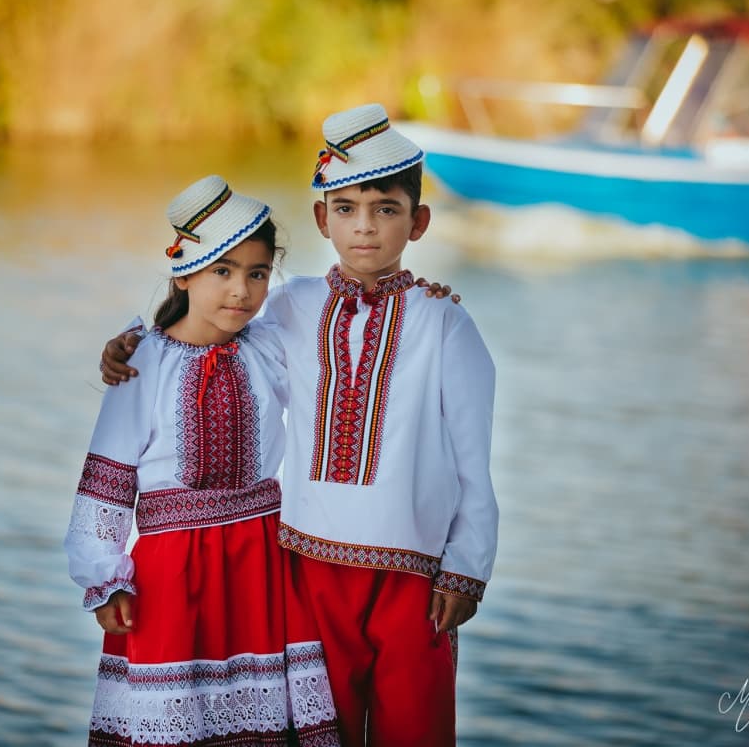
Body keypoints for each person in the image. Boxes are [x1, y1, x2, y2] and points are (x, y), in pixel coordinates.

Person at [102, 104, 498, 746]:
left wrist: (467, 567)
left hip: (415, 577)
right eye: (345, 209)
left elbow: (471, 462)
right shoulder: (291, 304)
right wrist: (135, 342)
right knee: (319, 733)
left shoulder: (445, 323)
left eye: (386, 209)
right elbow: (212, 334)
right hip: (307, 569)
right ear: (322, 218)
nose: (364, 228)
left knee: (415, 728)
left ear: (418, 221)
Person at [63, 175, 341, 747]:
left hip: (262, 561)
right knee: (176, 723)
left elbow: (345, 299)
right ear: (184, 273)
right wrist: (105, 579)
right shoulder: (142, 364)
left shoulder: (270, 344)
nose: (241, 290)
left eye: (257, 273)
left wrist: (420, 292)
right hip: (174, 574)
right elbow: (105, 485)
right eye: (223, 271)